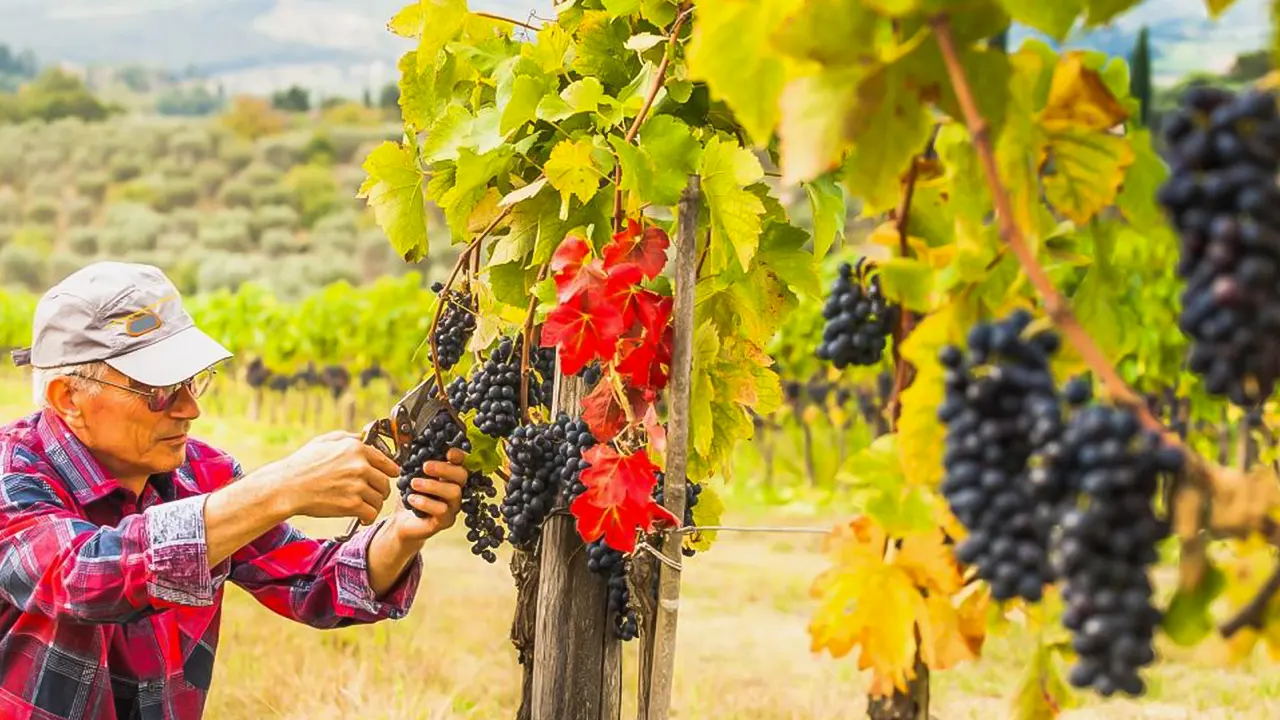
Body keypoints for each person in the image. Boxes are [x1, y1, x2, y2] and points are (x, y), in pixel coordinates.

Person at [0, 262, 469, 720]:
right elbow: (85, 577)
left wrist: (405, 533)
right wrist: (279, 488)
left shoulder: (200, 475)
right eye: (159, 391)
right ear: (69, 398)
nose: (189, 408)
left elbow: (313, 583)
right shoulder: (12, 475)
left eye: (190, 382)